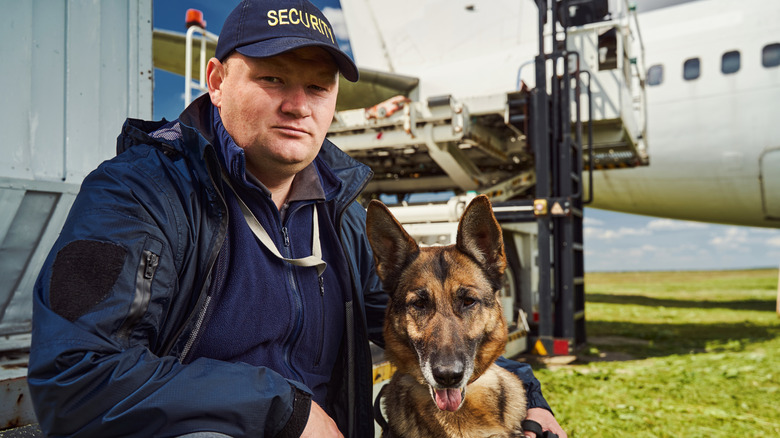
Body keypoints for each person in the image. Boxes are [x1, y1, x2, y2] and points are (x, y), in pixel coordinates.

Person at [27, 0, 566, 437]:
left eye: (318, 87)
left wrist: (529, 398)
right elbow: (76, 378)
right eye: (273, 79)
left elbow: (428, 319)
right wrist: (282, 409)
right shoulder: (139, 194)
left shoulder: (342, 221)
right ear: (216, 80)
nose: (298, 105)